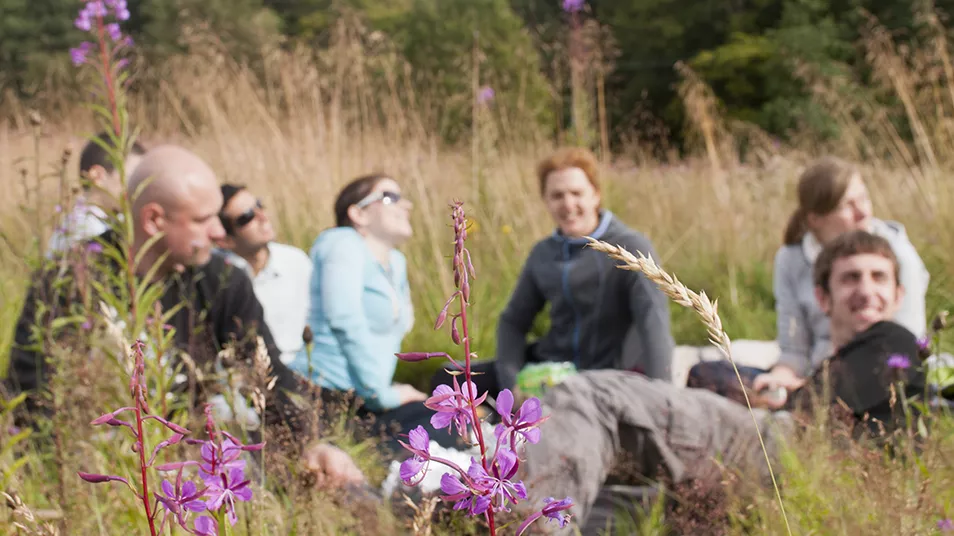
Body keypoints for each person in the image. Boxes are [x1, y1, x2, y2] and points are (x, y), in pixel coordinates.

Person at [4, 144, 365, 489]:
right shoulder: (73, 281)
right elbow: (32, 392)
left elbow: (266, 371)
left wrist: (311, 443)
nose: (219, 232)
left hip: (187, 460)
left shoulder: (222, 280)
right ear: (154, 219)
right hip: (102, 471)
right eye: (203, 219)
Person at [518, 230, 928, 534]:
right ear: (823, 298)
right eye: (851, 278)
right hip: (783, 477)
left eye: (879, 278)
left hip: (787, 448)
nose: (867, 290)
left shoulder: (894, 342)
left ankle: (517, 521)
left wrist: (769, 395)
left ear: (899, 295)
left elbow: (811, 415)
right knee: (616, 497)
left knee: (592, 397)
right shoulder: (834, 363)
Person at [431, 147, 675, 401]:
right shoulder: (543, 254)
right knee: (449, 382)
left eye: (576, 193)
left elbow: (653, 322)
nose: (568, 204)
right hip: (551, 371)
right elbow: (512, 322)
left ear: (596, 195)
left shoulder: (631, 247)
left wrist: (664, 400)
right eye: (557, 195)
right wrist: (511, 385)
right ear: (546, 201)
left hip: (606, 379)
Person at [686, 156, 929, 403]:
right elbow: (794, 348)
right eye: (848, 205)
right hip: (813, 373)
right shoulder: (791, 259)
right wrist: (780, 380)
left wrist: (812, 390)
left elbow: (904, 346)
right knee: (707, 374)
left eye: (864, 199)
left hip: (876, 377)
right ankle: (787, 405)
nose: (863, 213)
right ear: (815, 219)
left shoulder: (895, 255)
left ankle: (797, 407)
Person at [291, 173, 458, 453]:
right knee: (429, 437)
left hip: (365, 398)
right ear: (358, 213)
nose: (406, 205)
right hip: (322, 395)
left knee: (447, 423)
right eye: (390, 197)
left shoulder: (396, 262)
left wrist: (385, 391)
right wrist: (382, 394)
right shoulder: (342, 242)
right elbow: (344, 321)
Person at [215, 184, 313, 365]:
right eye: (247, 217)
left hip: (299, 368)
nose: (262, 216)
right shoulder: (217, 276)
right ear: (225, 240)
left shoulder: (295, 260)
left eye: (259, 205)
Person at [47, 130, 145, 255]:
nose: (139, 188)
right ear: (97, 176)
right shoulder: (85, 229)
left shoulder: (108, 219)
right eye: (132, 178)